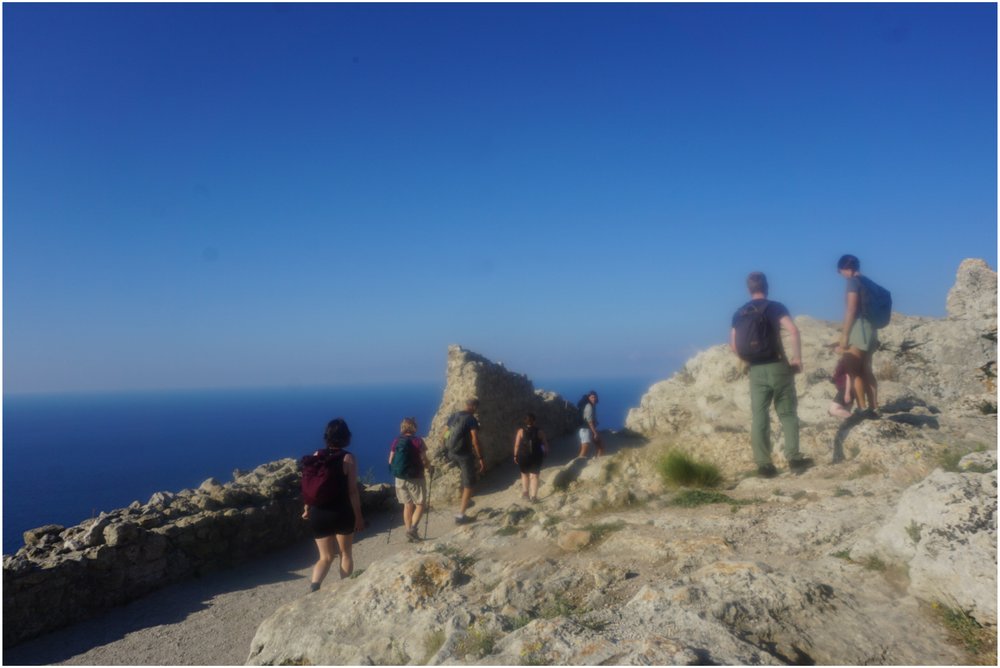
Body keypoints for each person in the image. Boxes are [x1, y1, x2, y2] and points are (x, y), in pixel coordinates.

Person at [730, 272, 813, 477]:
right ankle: (794, 459)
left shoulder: (739, 313)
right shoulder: (775, 307)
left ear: (748, 288)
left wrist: (750, 359)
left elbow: (733, 345)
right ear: (767, 286)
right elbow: (793, 331)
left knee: (759, 415)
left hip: (755, 370)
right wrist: (797, 359)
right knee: (787, 413)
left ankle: (764, 465)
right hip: (777, 366)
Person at [302, 418, 365, 591]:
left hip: (318, 513)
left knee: (325, 557)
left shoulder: (316, 455)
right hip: (341, 513)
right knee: (345, 554)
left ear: (327, 436)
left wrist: (307, 508)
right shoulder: (348, 458)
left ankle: (314, 588)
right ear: (347, 437)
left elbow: (310, 485)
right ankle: (344, 591)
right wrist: (359, 517)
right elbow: (352, 491)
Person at [836, 254, 880, 418]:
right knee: (867, 369)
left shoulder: (852, 282)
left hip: (858, 329)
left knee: (854, 371)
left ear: (844, 269)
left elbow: (851, 309)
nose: (842, 276)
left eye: (841, 272)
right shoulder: (867, 282)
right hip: (872, 329)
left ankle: (862, 409)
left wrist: (845, 335)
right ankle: (874, 406)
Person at [388, 417, 434, 542]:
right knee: (420, 504)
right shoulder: (418, 441)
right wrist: (429, 468)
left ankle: (409, 532)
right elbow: (424, 459)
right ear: (414, 427)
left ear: (402, 427)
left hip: (399, 478)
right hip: (415, 477)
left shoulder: (397, 440)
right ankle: (412, 530)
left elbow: (390, 460)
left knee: (407, 505)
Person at [444, 398, 484, 525]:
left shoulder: (454, 415)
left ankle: (465, 501)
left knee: (464, 477)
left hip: (451, 453)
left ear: (466, 405)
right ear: (474, 407)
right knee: (469, 483)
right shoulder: (471, 419)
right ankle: (461, 516)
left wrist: (445, 447)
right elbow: (475, 440)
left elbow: (445, 433)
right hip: (464, 454)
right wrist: (481, 457)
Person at [513, 413, 548, 502]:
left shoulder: (520, 431)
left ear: (525, 421)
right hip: (536, 456)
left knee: (524, 475)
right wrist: (544, 452)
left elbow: (517, 445)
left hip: (523, 456)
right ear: (534, 421)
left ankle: (525, 493)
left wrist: (515, 455)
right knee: (534, 476)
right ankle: (534, 497)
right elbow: (544, 444)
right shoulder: (540, 431)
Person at [828, 354, 856, 419]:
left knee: (833, 410)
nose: (833, 349)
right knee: (844, 410)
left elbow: (849, 377)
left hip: (845, 389)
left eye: (835, 346)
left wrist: (847, 393)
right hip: (843, 389)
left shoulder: (846, 360)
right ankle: (851, 420)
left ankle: (853, 418)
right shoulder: (842, 360)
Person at [576, 391, 603, 458]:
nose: (594, 399)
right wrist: (595, 433)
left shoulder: (592, 405)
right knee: (585, 448)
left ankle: (598, 460)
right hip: (585, 430)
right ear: (589, 398)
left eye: (595, 397)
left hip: (587, 429)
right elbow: (590, 422)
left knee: (599, 445)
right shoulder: (589, 406)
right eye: (592, 397)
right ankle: (578, 463)